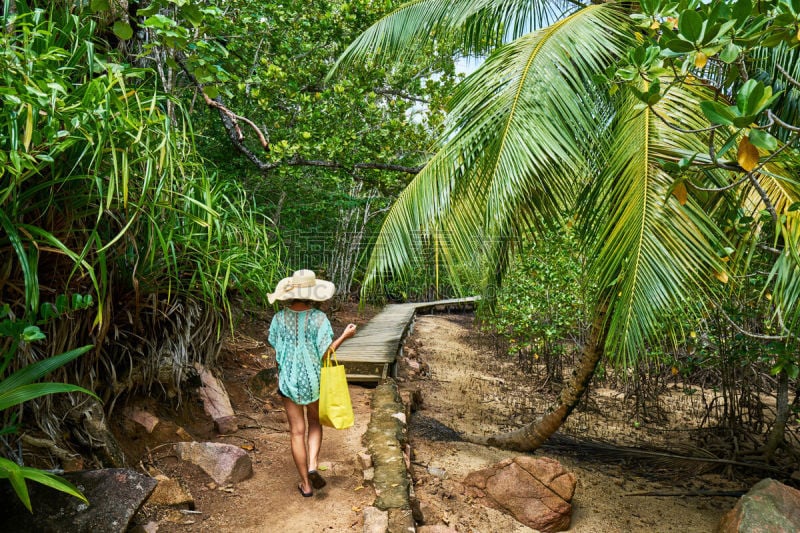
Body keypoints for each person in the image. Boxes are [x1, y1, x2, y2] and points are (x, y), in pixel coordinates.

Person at [267, 269, 357, 498]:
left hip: (288, 381)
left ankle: (306, 485)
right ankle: (313, 464)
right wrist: (345, 336)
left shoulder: (279, 318)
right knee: (315, 423)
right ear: (312, 293)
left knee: (297, 432)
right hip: (315, 381)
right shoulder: (319, 318)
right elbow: (325, 354)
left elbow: (276, 347)